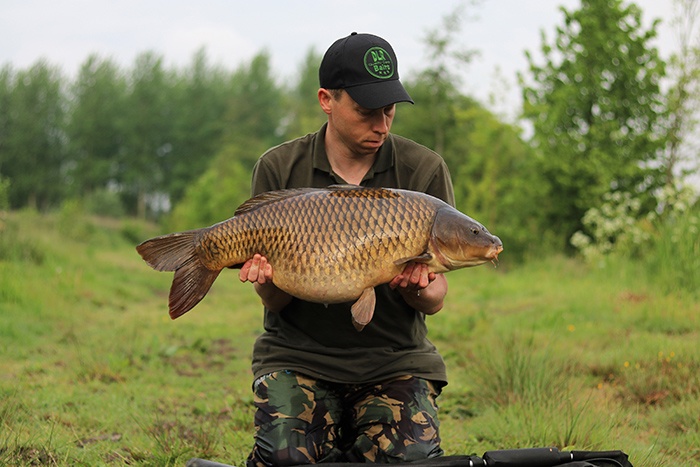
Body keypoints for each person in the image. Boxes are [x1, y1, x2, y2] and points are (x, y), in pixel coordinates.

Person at [239, 32, 455, 467]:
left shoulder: (423, 169)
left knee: (410, 459)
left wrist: (417, 287)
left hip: (394, 360)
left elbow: (434, 300)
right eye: (366, 111)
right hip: (299, 356)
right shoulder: (279, 167)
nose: (382, 125)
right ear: (327, 99)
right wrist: (266, 280)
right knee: (285, 458)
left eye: (389, 110)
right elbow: (275, 302)